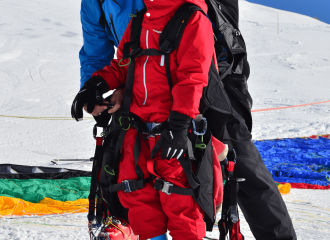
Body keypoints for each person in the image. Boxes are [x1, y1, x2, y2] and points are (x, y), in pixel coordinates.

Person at [77, 0, 297, 239]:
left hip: (209, 83)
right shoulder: (96, 4)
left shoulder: (189, 16)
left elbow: (198, 58)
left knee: (239, 162)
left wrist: (183, 119)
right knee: (135, 183)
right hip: (142, 94)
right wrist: (95, 89)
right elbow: (100, 55)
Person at [73, 0, 224, 239]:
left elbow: (193, 77)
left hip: (174, 136)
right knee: (140, 204)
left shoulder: (193, 19)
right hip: (137, 134)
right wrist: (93, 86)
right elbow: (123, 64)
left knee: (182, 205)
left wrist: (179, 125)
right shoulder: (139, 19)